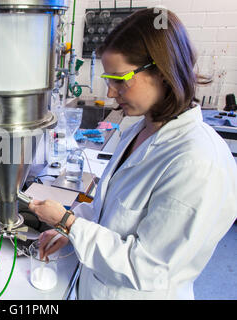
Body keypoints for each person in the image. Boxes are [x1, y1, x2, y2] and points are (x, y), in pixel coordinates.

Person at [28, 8, 237, 300]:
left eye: (120, 79)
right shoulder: (141, 130)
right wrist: (71, 231)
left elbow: (145, 267)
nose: (111, 92)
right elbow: (110, 209)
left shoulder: (197, 163)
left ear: (162, 72)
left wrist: (68, 223)